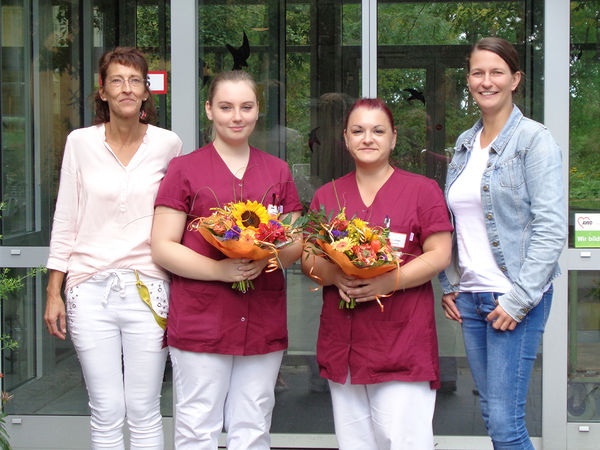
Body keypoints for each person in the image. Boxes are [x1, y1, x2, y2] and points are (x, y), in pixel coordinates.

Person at [151, 70, 303, 449]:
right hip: (203, 319)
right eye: (226, 107)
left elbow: (297, 238)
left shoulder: (277, 171)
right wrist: (219, 270)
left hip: (262, 319)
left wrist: (271, 255)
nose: (237, 116)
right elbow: (163, 245)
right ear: (209, 110)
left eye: (246, 107)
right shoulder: (185, 169)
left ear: (257, 111)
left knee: (252, 426)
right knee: (197, 427)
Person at [44, 47, 183, 449]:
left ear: (145, 93)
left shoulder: (168, 145)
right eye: (117, 80)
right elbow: (65, 218)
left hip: (149, 288)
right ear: (102, 91)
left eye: (134, 80)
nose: (126, 88)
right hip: (88, 289)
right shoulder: (80, 143)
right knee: (105, 410)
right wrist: (55, 290)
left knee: (143, 409)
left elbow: (179, 216)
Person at [302, 98, 453, 450]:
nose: (367, 138)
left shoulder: (421, 191)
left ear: (394, 138)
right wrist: (334, 276)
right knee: (355, 444)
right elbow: (308, 256)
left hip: (402, 345)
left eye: (377, 130)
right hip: (346, 346)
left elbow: (440, 253)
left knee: (404, 442)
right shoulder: (328, 195)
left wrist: (388, 281)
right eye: (358, 130)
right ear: (345, 138)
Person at [440, 37, 567, 449]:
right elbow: (454, 223)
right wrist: (451, 284)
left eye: (497, 72)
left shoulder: (534, 140)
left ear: (515, 79)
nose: (486, 81)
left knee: (506, 424)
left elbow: (550, 228)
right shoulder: (463, 143)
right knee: (494, 415)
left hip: (514, 296)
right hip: (474, 296)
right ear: (469, 79)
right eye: (478, 72)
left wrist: (518, 299)